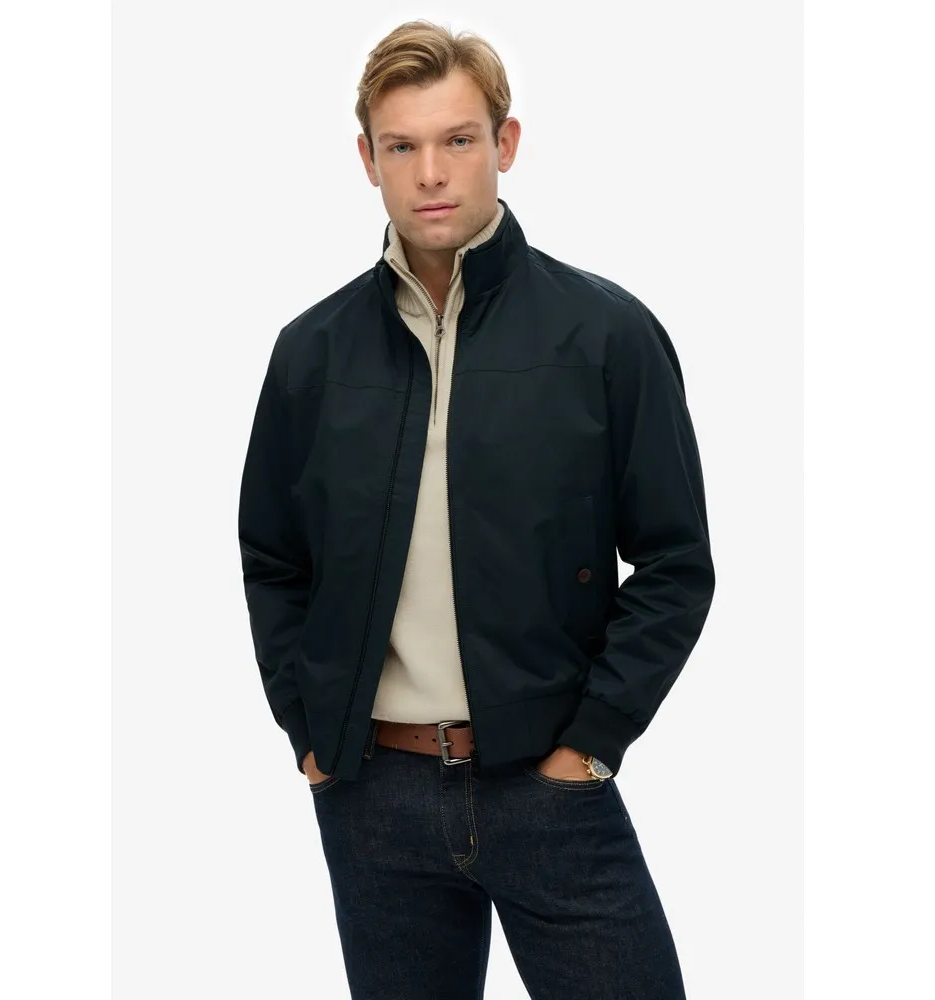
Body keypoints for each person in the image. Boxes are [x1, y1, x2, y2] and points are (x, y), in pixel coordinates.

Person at [237, 18, 714, 1000]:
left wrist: (590, 743)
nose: (430, 173)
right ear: (366, 160)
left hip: (547, 787)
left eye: (457, 139)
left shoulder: (605, 335)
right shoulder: (311, 352)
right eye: (401, 146)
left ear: (506, 143)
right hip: (373, 795)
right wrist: (312, 736)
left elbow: (673, 561)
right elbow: (274, 559)